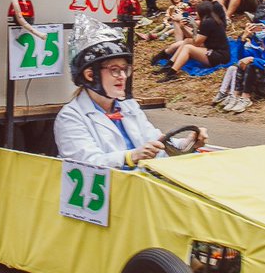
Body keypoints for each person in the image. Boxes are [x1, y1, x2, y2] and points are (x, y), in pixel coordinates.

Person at [56, 16, 207, 168]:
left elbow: (157, 143)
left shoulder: (128, 106)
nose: (122, 76)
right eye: (114, 70)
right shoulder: (71, 116)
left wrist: (188, 143)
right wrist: (130, 156)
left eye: (124, 69)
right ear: (89, 75)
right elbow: (85, 164)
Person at [215, 19, 265, 113]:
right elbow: (241, 57)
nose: (258, 30)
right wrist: (242, 40)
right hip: (256, 85)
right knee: (241, 64)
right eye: (256, 28)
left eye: (261, 28)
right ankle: (235, 96)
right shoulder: (256, 47)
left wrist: (252, 59)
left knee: (252, 65)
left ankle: (245, 98)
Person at [158, 0, 230, 81]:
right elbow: (193, 37)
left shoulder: (208, 23)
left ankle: (171, 73)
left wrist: (188, 27)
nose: (195, 13)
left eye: (197, 12)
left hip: (219, 56)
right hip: (213, 49)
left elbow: (196, 42)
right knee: (187, 41)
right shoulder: (209, 20)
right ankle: (170, 64)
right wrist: (183, 27)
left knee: (188, 48)